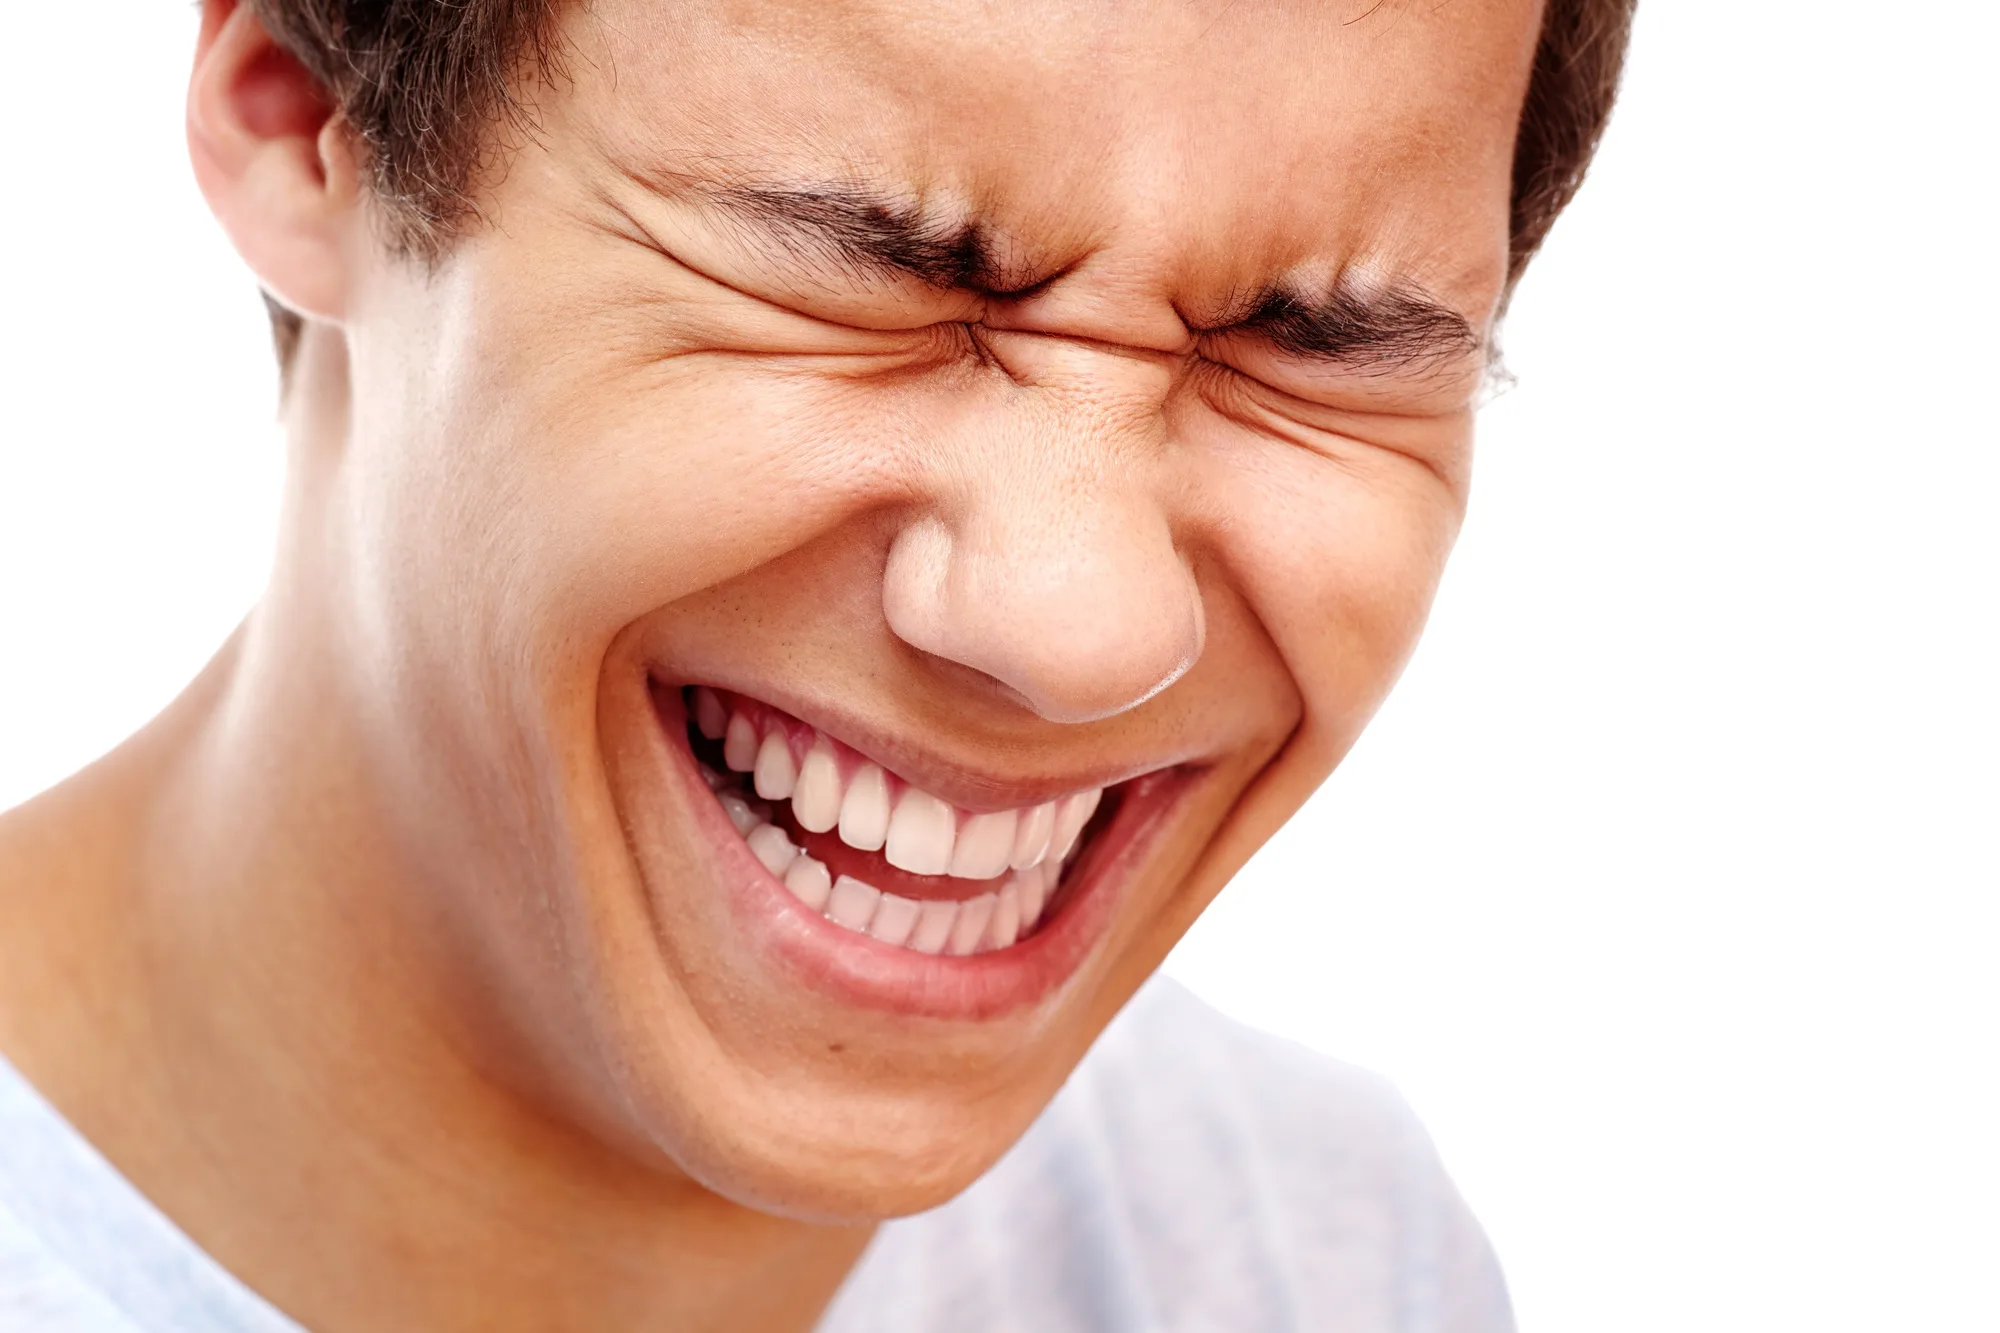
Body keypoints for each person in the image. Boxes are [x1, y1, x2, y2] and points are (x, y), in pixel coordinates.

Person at [0, 0, 1634, 1328]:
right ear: (300, 121)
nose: (1081, 631)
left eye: (1315, 349)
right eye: (875, 268)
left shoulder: (1322, 1257)